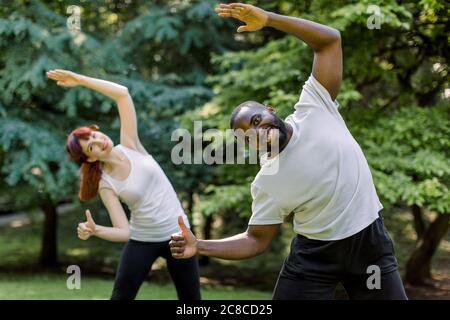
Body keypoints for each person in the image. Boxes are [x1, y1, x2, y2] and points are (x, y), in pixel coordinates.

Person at [169, 3, 408, 300]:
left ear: (270, 110)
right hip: (315, 259)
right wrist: (200, 245)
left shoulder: (314, 106)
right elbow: (255, 240)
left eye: (257, 120)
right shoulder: (268, 179)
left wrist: (269, 19)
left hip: (369, 244)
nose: (258, 130)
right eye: (249, 134)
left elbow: (330, 40)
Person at [47, 69, 201, 300]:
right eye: (91, 147)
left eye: (93, 136)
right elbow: (124, 232)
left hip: (179, 235)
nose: (98, 141)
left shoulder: (130, 144)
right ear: (90, 158)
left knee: (192, 302)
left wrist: (80, 80)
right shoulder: (105, 183)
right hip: (143, 239)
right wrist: (95, 229)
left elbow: (122, 94)